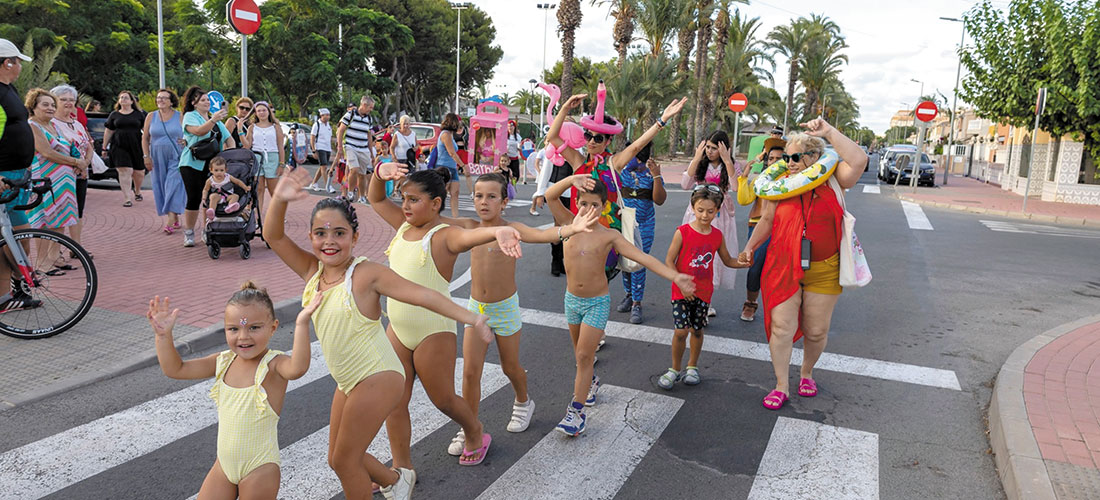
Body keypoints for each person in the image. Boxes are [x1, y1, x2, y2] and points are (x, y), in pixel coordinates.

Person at [264, 169, 496, 499]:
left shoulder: (366, 274)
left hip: (378, 375)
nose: (329, 241)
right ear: (311, 237)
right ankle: (395, 479)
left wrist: (472, 318)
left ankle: (437, 454)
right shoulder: (311, 272)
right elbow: (273, 237)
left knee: (346, 460)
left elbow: (424, 295)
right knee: (336, 458)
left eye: (339, 233)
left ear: (355, 238)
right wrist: (280, 201)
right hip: (348, 379)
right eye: (320, 233)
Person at [369, 163, 523, 468]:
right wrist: (378, 173)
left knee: (443, 400)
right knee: (394, 402)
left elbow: (469, 238)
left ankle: (475, 430)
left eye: (414, 199)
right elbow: (375, 199)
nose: (406, 205)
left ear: (436, 203)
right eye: (403, 198)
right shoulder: (403, 225)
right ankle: (402, 468)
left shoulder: (444, 235)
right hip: (397, 329)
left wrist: (499, 230)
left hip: (432, 331)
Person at [445, 172, 600, 456]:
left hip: (504, 309)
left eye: (492, 196)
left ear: (504, 202)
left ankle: (523, 401)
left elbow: (544, 235)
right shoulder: (469, 227)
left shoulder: (512, 227)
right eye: (479, 196)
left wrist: (572, 228)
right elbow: (434, 223)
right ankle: (469, 427)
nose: (483, 202)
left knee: (510, 367)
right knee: (469, 372)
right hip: (475, 310)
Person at [544, 173, 695, 436]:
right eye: (583, 203)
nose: (588, 210)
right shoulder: (567, 224)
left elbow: (643, 258)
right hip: (571, 301)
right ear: (576, 203)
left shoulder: (610, 236)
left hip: (596, 304)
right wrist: (572, 180)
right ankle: (590, 381)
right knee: (581, 356)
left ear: (604, 207)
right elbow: (549, 196)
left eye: (595, 205)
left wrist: (675, 276)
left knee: (583, 355)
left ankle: (576, 412)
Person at [738, 119, 869, 410]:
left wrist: (828, 132)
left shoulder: (833, 178)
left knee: (816, 331)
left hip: (824, 267)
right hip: (782, 264)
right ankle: (781, 385)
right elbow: (768, 221)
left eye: (795, 157)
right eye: (786, 157)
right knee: (782, 328)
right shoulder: (781, 185)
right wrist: (748, 247)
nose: (789, 162)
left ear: (813, 157)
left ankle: (807, 372)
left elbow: (859, 159)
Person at [149, 284, 314, 499]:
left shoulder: (273, 364)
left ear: (273, 327)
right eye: (234, 329)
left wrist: (301, 323)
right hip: (224, 466)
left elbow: (297, 368)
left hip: (259, 468)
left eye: (254, 327)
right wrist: (163, 337)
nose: (243, 336)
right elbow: (176, 369)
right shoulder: (223, 361)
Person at [546, 89, 687, 280]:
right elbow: (553, 137)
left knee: (599, 282)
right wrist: (564, 108)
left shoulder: (614, 163)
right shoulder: (578, 162)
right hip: (577, 230)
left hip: (605, 235)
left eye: (598, 138)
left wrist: (662, 121)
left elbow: (637, 146)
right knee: (576, 280)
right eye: (589, 136)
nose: (592, 142)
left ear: (608, 141)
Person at [658, 185, 749, 389]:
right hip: (681, 291)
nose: (705, 215)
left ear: (717, 210)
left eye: (710, 211)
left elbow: (727, 260)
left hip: (704, 292)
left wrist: (741, 262)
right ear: (692, 208)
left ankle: (692, 366)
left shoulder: (717, 236)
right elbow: (669, 260)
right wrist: (680, 283)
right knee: (681, 331)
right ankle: (674, 368)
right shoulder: (682, 232)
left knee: (697, 331)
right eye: (700, 210)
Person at [681, 130, 743, 317]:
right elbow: (685, 184)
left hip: (719, 215)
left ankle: (705, 302)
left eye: (714, 148)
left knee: (712, 257)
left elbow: (736, 187)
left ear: (724, 148)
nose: (709, 151)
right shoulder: (700, 164)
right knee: (693, 253)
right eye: (707, 147)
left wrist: (727, 161)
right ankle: (690, 296)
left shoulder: (731, 165)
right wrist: (696, 157)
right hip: (697, 213)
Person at [0, 38, 40, 312]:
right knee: (12, 235)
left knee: (13, 235)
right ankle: (12, 288)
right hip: (4, 175)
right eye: (17, 62)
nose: (20, 68)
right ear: (7, 63)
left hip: (16, 173)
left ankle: (10, 291)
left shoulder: (8, 89)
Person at [25, 88, 83, 272]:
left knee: (60, 220)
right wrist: (76, 161)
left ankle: (54, 258)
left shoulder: (55, 125)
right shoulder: (33, 125)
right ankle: (42, 263)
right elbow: (46, 152)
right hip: (45, 181)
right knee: (44, 220)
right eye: (45, 105)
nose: (50, 108)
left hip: (64, 182)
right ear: (33, 107)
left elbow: (68, 146)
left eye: (52, 105)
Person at [615, 142, 666, 324]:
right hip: (623, 223)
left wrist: (657, 175)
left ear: (638, 157)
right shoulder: (621, 173)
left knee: (639, 262)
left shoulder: (650, 174)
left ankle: (637, 303)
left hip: (644, 224)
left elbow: (659, 200)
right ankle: (629, 294)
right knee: (624, 261)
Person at [180, 86, 235, 247]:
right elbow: (198, 131)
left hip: (212, 166)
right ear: (194, 103)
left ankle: (207, 229)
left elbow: (229, 139)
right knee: (194, 197)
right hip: (192, 163)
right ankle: (189, 232)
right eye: (202, 100)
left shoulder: (216, 120)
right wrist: (213, 120)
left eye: (208, 100)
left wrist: (229, 157)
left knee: (210, 199)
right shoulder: (190, 116)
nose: (207, 102)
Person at [737, 138, 785, 322]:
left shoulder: (795, 181)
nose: (774, 162)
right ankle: (751, 303)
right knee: (755, 266)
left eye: (779, 159)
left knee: (779, 269)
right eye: (771, 159)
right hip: (758, 225)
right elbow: (743, 199)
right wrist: (745, 176)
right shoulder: (761, 180)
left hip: (783, 228)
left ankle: (779, 307)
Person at [49, 85, 93, 257]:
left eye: (71, 100)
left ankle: (76, 247)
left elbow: (88, 145)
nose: (68, 103)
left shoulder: (77, 123)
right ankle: (54, 253)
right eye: (63, 99)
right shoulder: (51, 123)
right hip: (60, 174)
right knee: (59, 212)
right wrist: (76, 163)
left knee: (78, 210)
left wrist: (85, 163)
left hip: (80, 173)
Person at [142, 88, 187, 235]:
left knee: (173, 184)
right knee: (161, 185)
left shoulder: (180, 116)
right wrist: (146, 156)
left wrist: (186, 141)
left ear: (171, 101)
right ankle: (173, 215)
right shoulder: (151, 116)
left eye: (164, 98)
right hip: (157, 155)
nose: (160, 100)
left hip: (176, 155)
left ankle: (170, 219)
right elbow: (145, 138)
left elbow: (188, 133)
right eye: (158, 97)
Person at [103, 90, 147, 207]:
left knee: (139, 172)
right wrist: (104, 147)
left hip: (137, 145)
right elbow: (109, 131)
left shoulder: (140, 114)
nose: (123, 100)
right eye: (121, 98)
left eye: (126, 98)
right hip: (119, 145)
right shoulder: (114, 115)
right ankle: (127, 198)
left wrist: (149, 145)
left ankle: (137, 190)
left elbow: (147, 131)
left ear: (132, 101)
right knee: (125, 171)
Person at [244, 101, 284, 211]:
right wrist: (239, 131)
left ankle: (278, 214)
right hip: (257, 158)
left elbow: (281, 146)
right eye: (259, 111)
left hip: (272, 158)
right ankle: (258, 215)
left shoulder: (276, 127)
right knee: (258, 189)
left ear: (269, 112)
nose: (262, 113)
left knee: (274, 190)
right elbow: (247, 146)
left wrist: (281, 164)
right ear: (255, 113)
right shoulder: (252, 127)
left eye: (264, 110)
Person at [336, 95, 376, 204]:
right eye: (370, 107)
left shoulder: (368, 118)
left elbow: (369, 136)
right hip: (350, 146)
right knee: (354, 169)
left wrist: (372, 153)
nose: (371, 110)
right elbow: (341, 130)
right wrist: (340, 147)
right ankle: (350, 192)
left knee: (362, 174)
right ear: (364, 105)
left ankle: (362, 196)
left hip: (363, 148)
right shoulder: (350, 114)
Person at [433, 113, 467, 218]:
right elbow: (452, 152)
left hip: (452, 168)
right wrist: (463, 166)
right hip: (443, 167)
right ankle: (435, 216)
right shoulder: (445, 135)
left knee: (455, 193)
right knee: (440, 194)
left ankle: (455, 218)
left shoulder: (450, 135)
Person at [202, 156, 251, 220]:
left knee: (235, 196)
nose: (219, 172)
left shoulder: (228, 177)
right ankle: (212, 211)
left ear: (225, 170)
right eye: (216, 170)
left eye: (222, 170)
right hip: (218, 197)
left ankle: (230, 207)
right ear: (211, 170)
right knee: (213, 196)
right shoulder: (210, 180)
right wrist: (204, 198)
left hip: (228, 196)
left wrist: (245, 187)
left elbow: (238, 182)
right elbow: (206, 189)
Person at [308, 108, 335, 193]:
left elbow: (330, 138)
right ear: (321, 115)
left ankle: (314, 183)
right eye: (326, 115)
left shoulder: (328, 126)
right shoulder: (317, 125)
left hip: (327, 148)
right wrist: (313, 150)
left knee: (322, 167)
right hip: (320, 147)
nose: (328, 117)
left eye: (329, 115)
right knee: (324, 167)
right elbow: (312, 138)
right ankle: (328, 186)